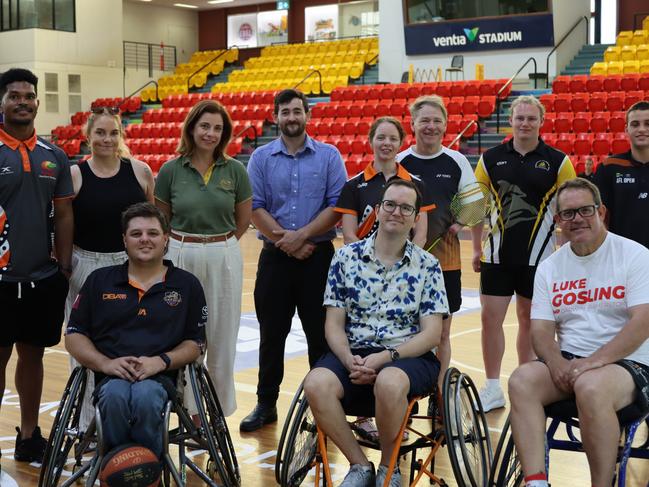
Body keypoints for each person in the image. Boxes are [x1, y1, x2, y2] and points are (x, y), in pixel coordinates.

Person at [303, 179, 447, 487]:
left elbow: (432, 334)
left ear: (415, 217)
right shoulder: (345, 258)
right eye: (390, 205)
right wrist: (348, 359)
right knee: (315, 383)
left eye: (406, 207)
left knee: (390, 381)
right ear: (378, 210)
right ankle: (359, 465)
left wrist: (386, 357)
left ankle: (387, 467)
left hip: (408, 355)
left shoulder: (428, 265)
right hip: (353, 353)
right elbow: (333, 324)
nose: (397, 212)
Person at [508, 178, 649, 487]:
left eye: (585, 210)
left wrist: (593, 362)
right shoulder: (550, 267)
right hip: (573, 362)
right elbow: (541, 330)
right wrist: (556, 362)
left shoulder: (635, 255)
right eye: (568, 214)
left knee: (590, 386)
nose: (577, 219)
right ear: (557, 221)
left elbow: (642, 322)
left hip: (630, 362)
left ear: (601, 212)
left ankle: (601, 483)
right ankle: (535, 481)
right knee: (521, 380)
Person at [65, 202, 207, 458]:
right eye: (136, 234)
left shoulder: (187, 285)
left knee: (146, 396)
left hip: (161, 378)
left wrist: (160, 361)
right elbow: (74, 335)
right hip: (110, 377)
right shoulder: (99, 280)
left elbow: (195, 343)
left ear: (166, 239)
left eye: (152, 233)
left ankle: (144, 472)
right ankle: (119, 470)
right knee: (116, 396)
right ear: (124, 240)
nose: (145, 240)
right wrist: (105, 364)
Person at [242, 88, 347, 432]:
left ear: (307, 115)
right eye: (285, 112)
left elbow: (336, 206)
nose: (291, 117)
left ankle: (324, 407)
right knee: (272, 334)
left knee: (321, 336)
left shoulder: (329, 156)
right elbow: (255, 208)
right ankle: (265, 403)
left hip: (318, 258)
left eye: (297, 111)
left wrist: (300, 237)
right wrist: (287, 242)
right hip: (275, 259)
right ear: (276, 117)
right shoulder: (260, 158)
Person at [473, 95, 576, 412]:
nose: (525, 123)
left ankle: (527, 383)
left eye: (531, 118)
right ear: (511, 121)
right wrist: (477, 248)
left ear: (541, 122)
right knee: (491, 320)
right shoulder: (489, 158)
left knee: (530, 323)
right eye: (520, 118)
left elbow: (572, 208)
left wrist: (570, 257)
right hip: (497, 258)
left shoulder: (559, 161)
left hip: (541, 261)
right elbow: (474, 206)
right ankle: (492, 387)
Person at [335, 116, 434, 442]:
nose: (387, 143)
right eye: (381, 137)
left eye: (393, 138)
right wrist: (369, 264)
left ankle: (397, 411)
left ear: (400, 142)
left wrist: (404, 263)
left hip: (405, 270)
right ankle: (364, 417)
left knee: (404, 331)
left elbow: (420, 231)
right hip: (363, 270)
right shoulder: (354, 185)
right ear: (371, 140)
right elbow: (349, 234)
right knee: (360, 329)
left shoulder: (415, 182)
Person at [155, 99, 251, 417]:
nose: (210, 133)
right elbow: (162, 219)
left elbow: (242, 221)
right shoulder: (170, 170)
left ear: (224, 134)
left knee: (222, 334)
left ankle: (218, 414)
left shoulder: (235, 170)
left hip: (223, 252)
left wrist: (215, 246)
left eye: (217, 128)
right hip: (181, 252)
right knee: (183, 334)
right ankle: (186, 411)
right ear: (192, 128)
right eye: (205, 126)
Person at [0, 68, 73, 464]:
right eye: (14, 95)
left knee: (34, 357)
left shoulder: (54, 155)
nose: (22, 102)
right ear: (2, 101)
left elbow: (63, 215)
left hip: (41, 279)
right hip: (0, 280)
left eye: (28, 96)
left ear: (37, 103)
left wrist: (62, 266)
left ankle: (29, 436)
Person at [65, 106, 154, 430]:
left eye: (113, 132)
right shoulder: (76, 175)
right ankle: (90, 428)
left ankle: (130, 424)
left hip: (130, 266)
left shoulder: (141, 171)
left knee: (134, 343)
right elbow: (61, 224)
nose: (107, 139)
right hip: (86, 265)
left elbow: (152, 225)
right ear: (88, 136)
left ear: (121, 135)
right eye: (100, 132)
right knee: (86, 351)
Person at [397, 95, 479, 397]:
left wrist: (458, 224)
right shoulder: (401, 162)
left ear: (445, 125)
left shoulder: (456, 161)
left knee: (442, 332)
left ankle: (440, 393)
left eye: (436, 121)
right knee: (407, 331)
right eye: (424, 120)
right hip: (404, 264)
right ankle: (409, 393)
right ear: (413, 124)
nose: (430, 126)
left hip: (445, 264)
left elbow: (474, 204)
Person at [594, 100, 649, 249]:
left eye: (647, 124)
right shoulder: (609, 167)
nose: (642, 129)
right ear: (626, 129)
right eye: (635, 124)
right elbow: (599, 217)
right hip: (621, 256)